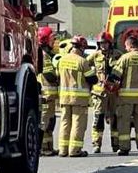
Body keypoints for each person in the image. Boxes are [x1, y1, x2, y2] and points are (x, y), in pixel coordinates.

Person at [111, 35, 138, 156]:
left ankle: (124, 148)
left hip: (125, 98)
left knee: (124, 122)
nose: (125, 48)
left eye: (125, 46)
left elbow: (115, 76)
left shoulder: (125, 58)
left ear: (129, 45)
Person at [57, 35, 97, 158]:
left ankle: (63, 150)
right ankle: (75, 150)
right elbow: (92, 79)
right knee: (78, 124)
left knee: (64, 123)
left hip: (64, 98)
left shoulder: (62, 60)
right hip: (79, 99)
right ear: (82, 48)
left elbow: (58, 76)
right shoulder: (82, 61)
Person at [89, 32, 122, 153]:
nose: (103, 45)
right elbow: (85, 68)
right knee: (98, 118)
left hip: (113, 92)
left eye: (105, 43)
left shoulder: (118, 55)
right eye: (101, 43)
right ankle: (96, 144)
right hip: (100, 93)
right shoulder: (95, 56)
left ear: (110, 44)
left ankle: (116, 144)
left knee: (115, 118)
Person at [36, 27, 60, 156]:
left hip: (50, 96)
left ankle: (48, 147)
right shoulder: (43, 55)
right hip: (45, 94)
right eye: (53, 39)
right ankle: (40, 148)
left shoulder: (48, 54)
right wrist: (59, 73)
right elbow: (49, 74)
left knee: (50, 122)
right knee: (44, 122)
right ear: (45, 40)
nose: (54, 41)